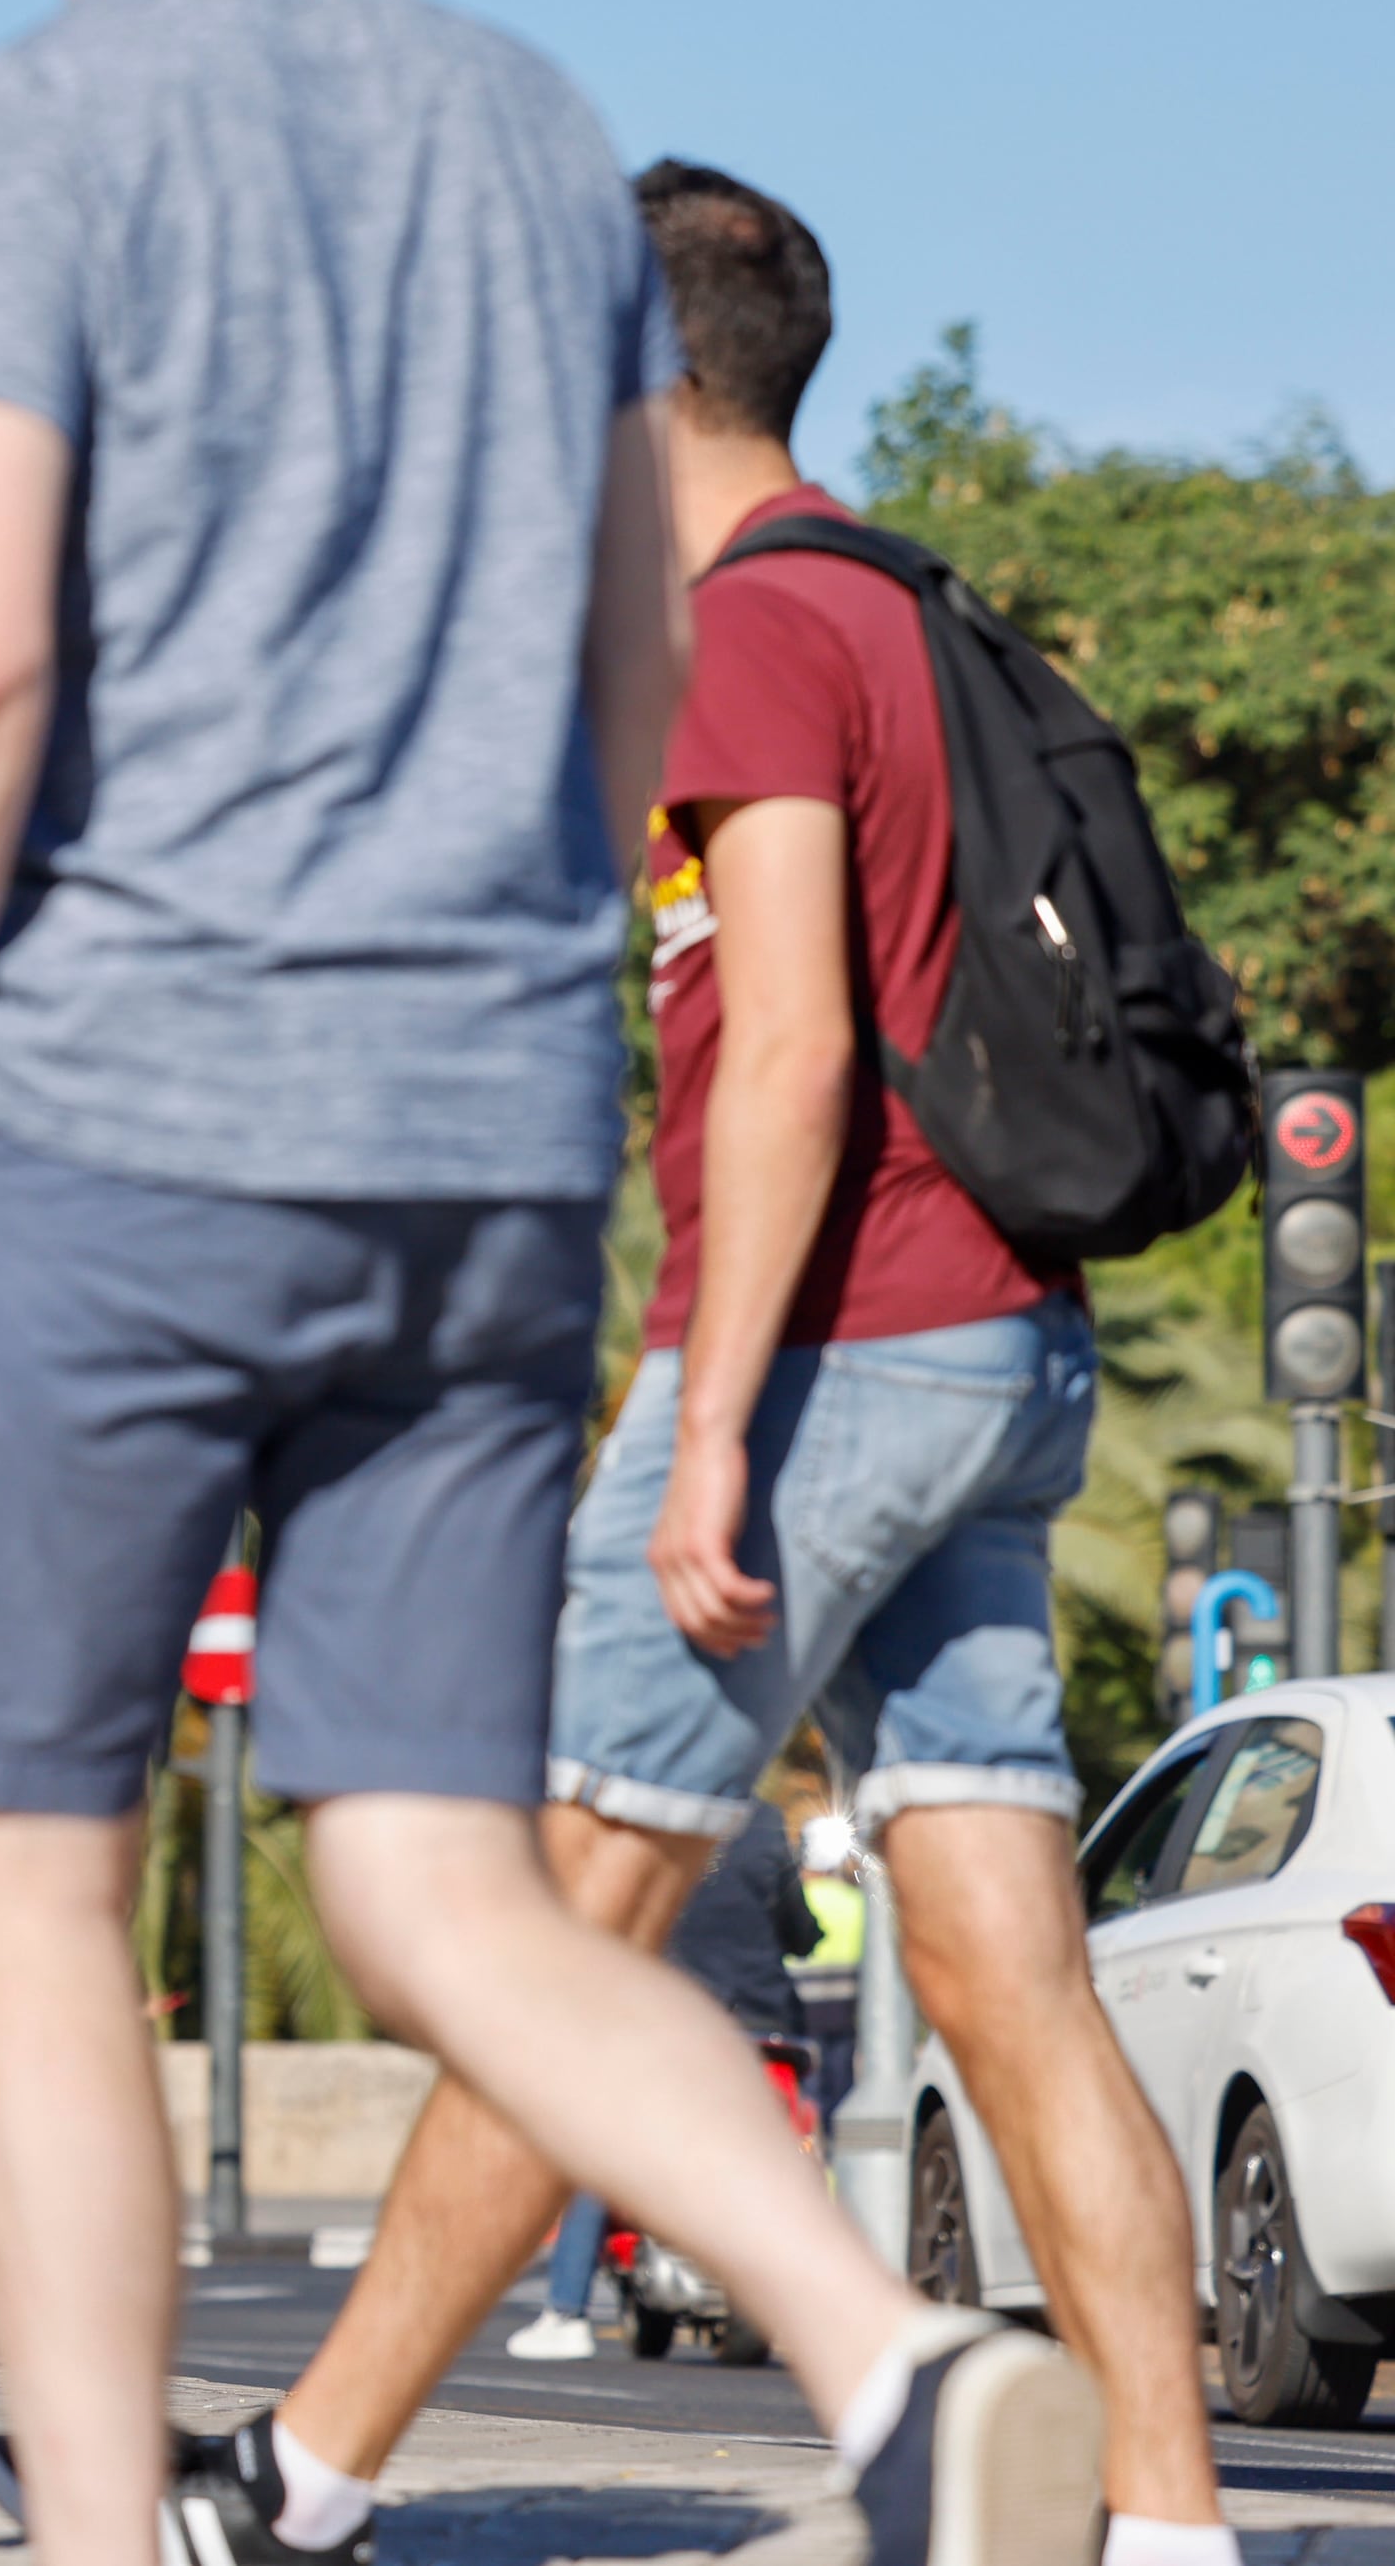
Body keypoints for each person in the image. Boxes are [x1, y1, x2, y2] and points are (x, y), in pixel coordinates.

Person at [0, 0, 1096, 2566]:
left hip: (132, 1095)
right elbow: (624, 676)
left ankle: (113, 2545)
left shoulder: (27, 127)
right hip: (488, 1124)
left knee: (17, 1859)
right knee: (422, 1858)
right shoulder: (524, 122)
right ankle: (882, 2363)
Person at [245, 165, 1219, 2561]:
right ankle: (1176, 2520)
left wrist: (705, 1424)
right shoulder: (910, 606)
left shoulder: (751, 635)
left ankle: (295, 2475)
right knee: (1010, 1972)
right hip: (999, 1344)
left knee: (554, 1936)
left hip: (830, 1361)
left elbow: (780, 1051)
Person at [508, 1812, 817, 2361]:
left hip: (668, 2021)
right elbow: (801, 1931)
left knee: (597, 2159)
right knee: (794, 2153)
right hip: (762, 2026)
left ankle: (566, 2310)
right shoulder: (764, 1823)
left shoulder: (647, 1814)